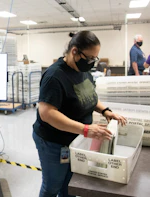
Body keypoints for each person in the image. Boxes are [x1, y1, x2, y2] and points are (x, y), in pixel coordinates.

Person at [32, 31, 127, 197]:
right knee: (53, 186)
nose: (92, 63)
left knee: (69, 185)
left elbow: (89, 97)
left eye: (94, 59)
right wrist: (86, 129)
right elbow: (47, 113)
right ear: (74, 51)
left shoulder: (83, 71)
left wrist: (106, 111)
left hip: (75, 140)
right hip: (54, 142)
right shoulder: (54, 76)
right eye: (90, 58)